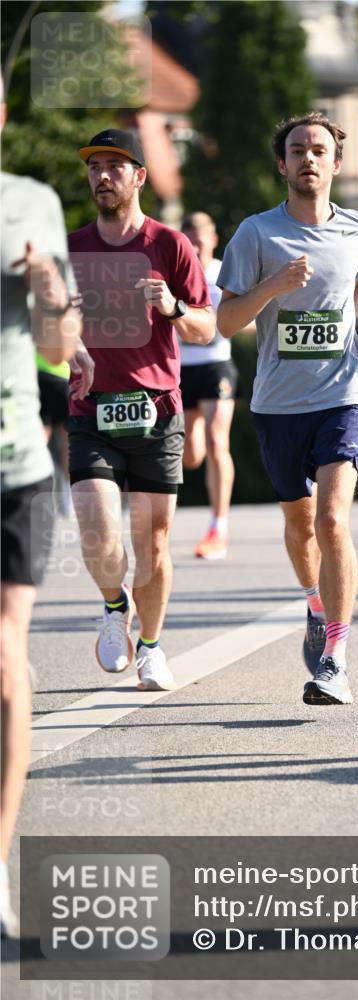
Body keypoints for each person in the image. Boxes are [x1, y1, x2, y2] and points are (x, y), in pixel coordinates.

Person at [217, 111, 358, 705]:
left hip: (343, 394)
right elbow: (226, 321)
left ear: (336, 163)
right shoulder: (255, 234)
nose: (308, 159)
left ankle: (335, 660)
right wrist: (273, 286)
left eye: (319, 150)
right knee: (300, 525)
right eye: (297, 150)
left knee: (332, 521)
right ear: (282, 164)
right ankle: (316, 603)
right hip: (277, 403)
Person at [68, 129, 214, 692]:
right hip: (91, 410)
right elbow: (45, 325)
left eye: (114, 166)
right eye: (94, 167)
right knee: (97, 531)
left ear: (139, 177)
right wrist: (66, 343)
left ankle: (151, 647)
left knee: (153, 543)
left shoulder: (170, 245)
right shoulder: (71, 248)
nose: (102, 176)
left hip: (157, 412)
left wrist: (173, 308)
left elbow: (206, 328)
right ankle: (114, 604)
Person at [1, 99, 83, 933]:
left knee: (3, 657)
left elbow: (59, 345)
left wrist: (49, 290)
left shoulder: (30, 203)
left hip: (13, 466)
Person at [180, 212, 239, 559]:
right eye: (189, 242)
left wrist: (227, 324)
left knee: (218, 441)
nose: (196, 248)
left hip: (216, 364)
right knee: (191, 456)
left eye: (200, 241)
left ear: (213, 240)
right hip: (181, 369)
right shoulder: (174, 274)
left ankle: (219, 526)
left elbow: (245, 315)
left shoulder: (224, 274)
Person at [36, 350, 74, 517]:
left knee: (40, 438)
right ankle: (68, 499)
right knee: (67, 441)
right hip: (61, 375)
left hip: (35, 373)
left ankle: (42, 491)